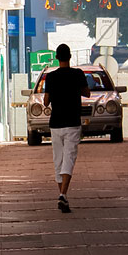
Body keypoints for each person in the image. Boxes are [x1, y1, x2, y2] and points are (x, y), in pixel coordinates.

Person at [41, 42, 90, 213]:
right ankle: (63, 195)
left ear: (56, 58)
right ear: (70, 57)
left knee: (58, 160)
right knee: (69, 158)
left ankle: (63, 196)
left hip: (55, 124)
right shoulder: (78, 74)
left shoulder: (51, 77)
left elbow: (46, 101)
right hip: (72, 122)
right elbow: (87, 93)